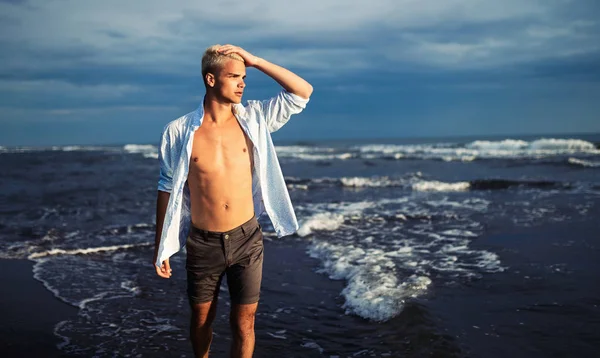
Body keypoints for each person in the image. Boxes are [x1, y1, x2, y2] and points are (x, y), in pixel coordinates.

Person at [152, 44, 313, 358]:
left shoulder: (254, 118)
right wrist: (162, 245)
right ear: (211, 80)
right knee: (201, 321)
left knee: (245, 322)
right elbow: (166, 187)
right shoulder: (179, 131)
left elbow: (302, 92)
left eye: (245, 77)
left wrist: (255, 60)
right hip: (203, 243)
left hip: (246, 239)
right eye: (235, 76)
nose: (242, 83)